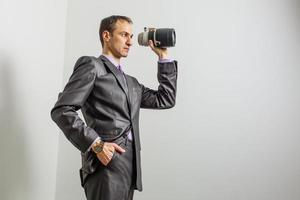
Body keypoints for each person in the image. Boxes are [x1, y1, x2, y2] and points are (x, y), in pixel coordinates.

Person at [51, 15, 178, 200]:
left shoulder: (132, 83)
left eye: (132, 36)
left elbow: (165, 99)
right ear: (106, 35)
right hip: (105, 164)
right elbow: (62, 110)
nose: (130, 42)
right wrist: (96, 144)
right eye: (124, 34)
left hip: (130, 166)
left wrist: (163, 56)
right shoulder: (92, 66)